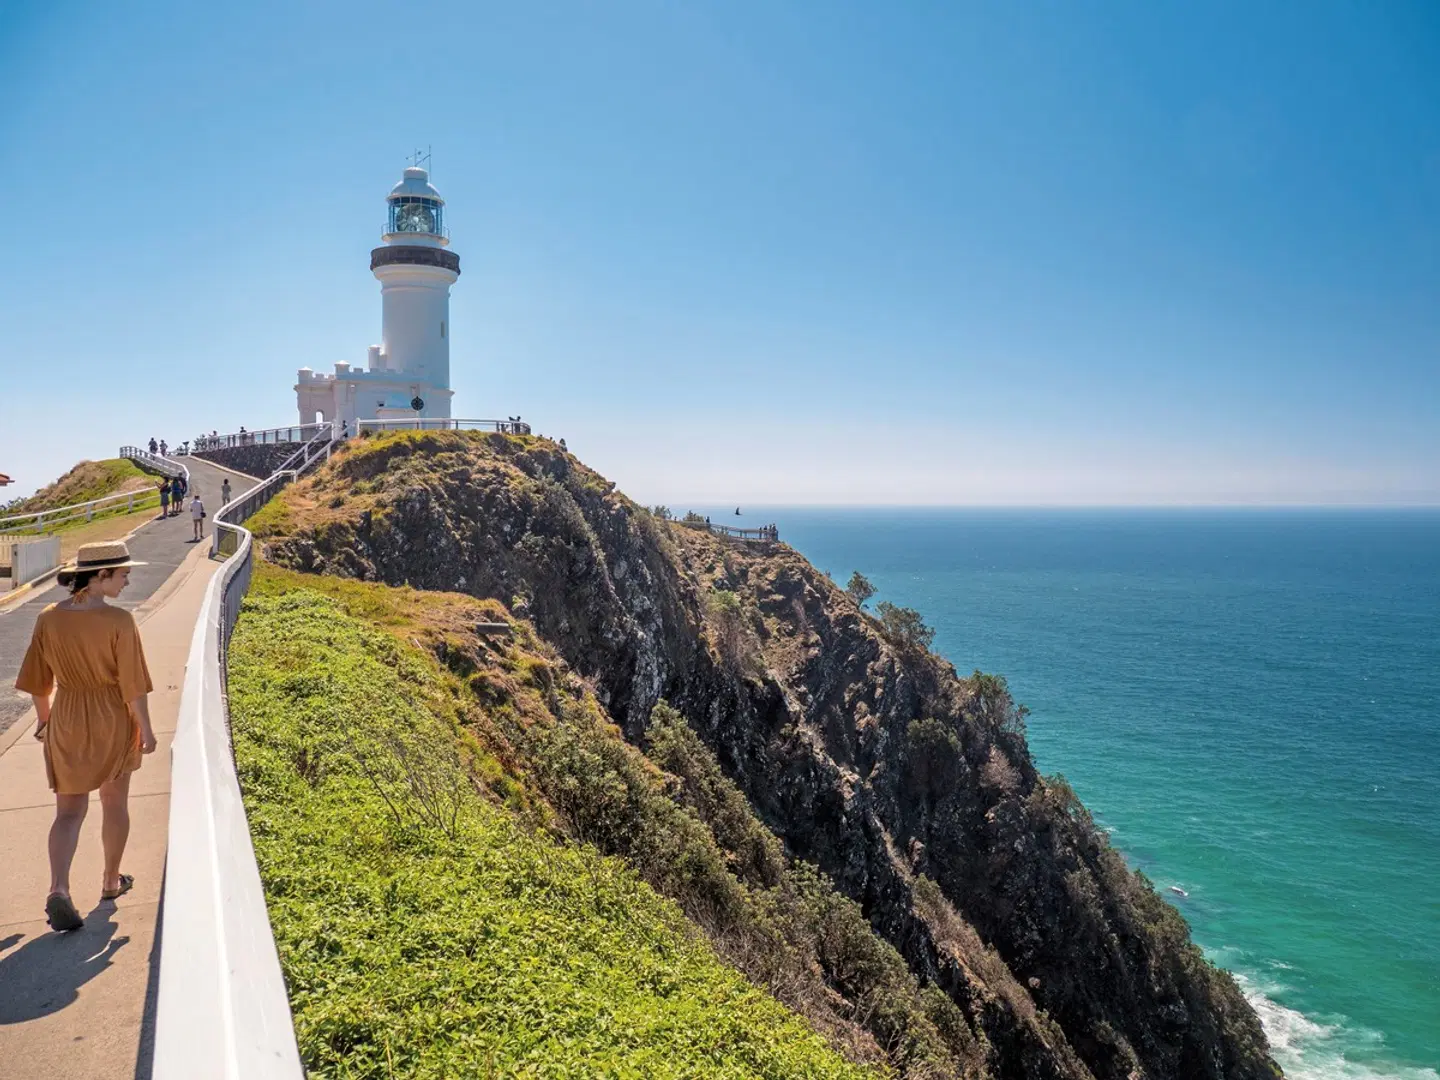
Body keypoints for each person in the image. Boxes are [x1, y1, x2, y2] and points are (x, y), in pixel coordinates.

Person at [15, 540, 157, 932]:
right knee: (114, 803)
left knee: (68, 812)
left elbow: (38, 682)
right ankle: (111, 882)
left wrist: (45, 723)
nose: (127, 581)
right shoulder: (118, 622)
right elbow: (132, 686)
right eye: (122, 574)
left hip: (67, 715)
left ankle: (58, 888)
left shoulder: (48, 618)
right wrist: (145, 728)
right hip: (111, 716)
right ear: (100, 576)